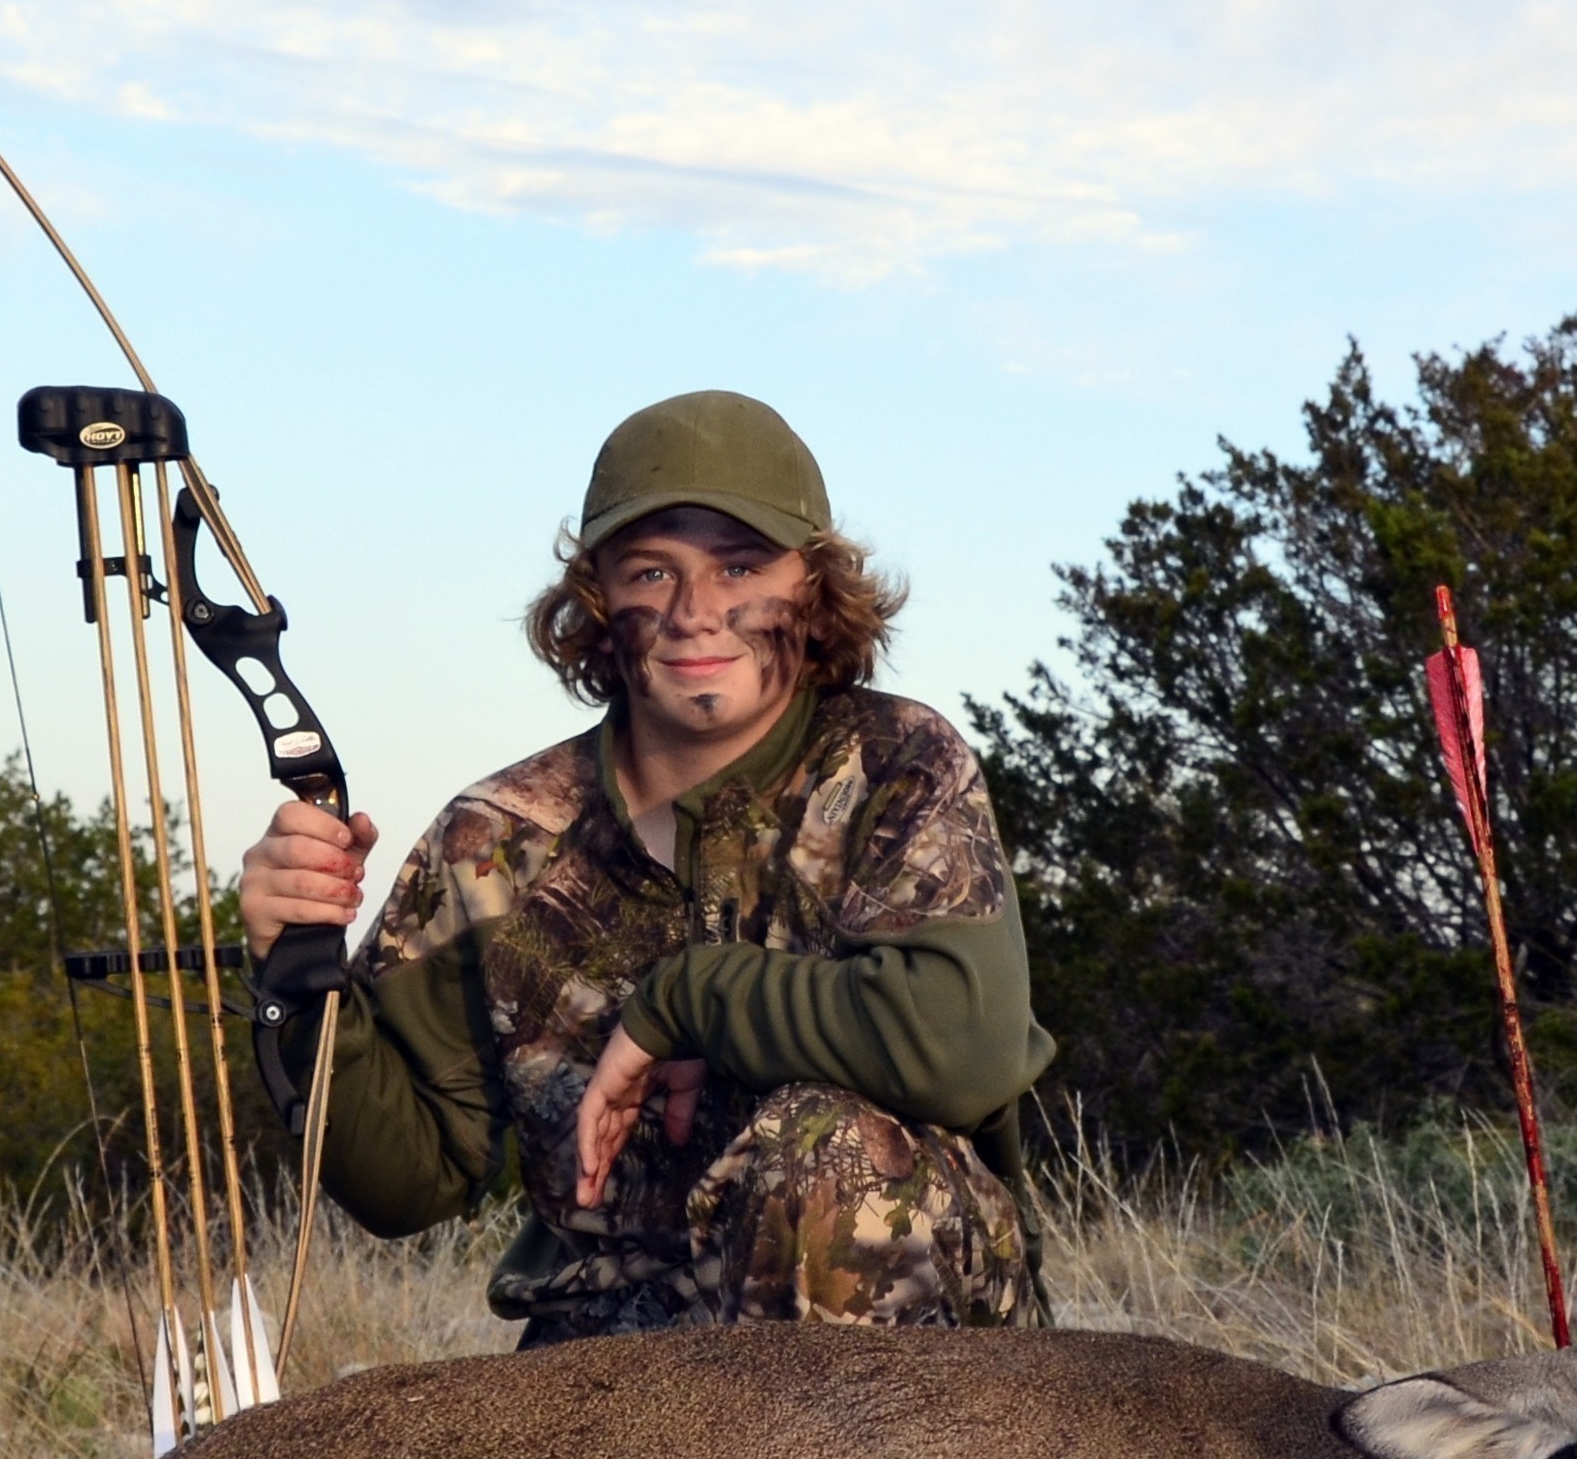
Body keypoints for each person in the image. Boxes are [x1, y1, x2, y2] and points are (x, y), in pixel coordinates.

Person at [236, 390, 1053, 1344]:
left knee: (824, 1156)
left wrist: (688, 998)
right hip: (611, 1359)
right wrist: (295, 971)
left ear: (814, 589)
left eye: (741, 565)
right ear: (598, 603)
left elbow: (963, 1047)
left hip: (895, 1334)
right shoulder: (494, 839)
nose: (696, 613)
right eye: (652, 572)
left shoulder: (897, 763)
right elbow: (406, 1180)